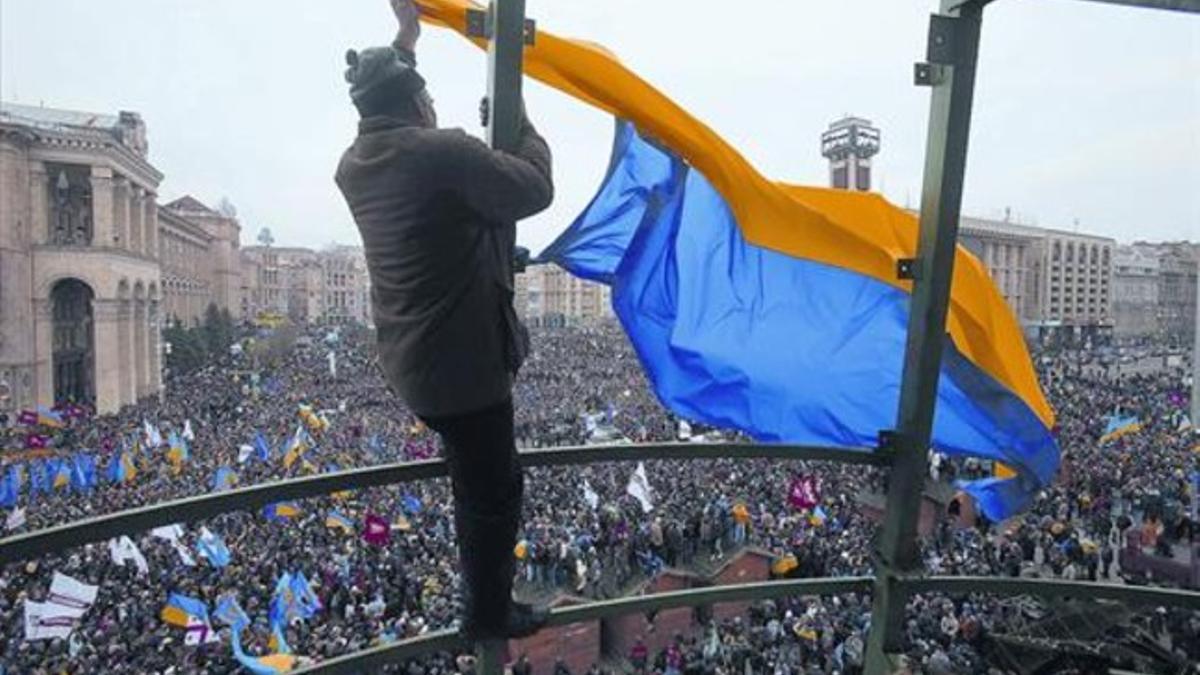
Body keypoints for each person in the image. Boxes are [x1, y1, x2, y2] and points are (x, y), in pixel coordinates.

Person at [334, 0, 554, 642]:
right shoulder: (441, 153)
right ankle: (487, 615)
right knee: (495, 494)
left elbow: (385, 97)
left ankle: (480, 601)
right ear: (420, 104)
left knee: (471, 477)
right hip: (464, 372)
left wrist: (404, 40)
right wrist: (521, 123)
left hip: (414, 365)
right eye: (424, 97)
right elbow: (535, 188)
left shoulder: (356, 162)